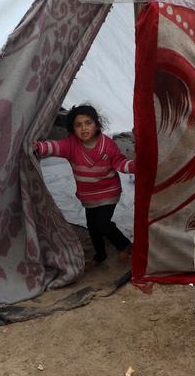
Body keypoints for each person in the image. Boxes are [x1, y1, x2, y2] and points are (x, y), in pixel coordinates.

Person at [34, 105, 134, 263]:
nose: (84, 128)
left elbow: (120, 163)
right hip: (88, 196)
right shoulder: (71, 144)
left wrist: (134, 166)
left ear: (97, 124)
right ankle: (100, 254)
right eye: (78, 125)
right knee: (92, 227)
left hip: (109, 192)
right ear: (72, 128)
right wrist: (39, 146)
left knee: (102, 224)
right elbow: (54, 147)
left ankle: (124, 245)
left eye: (88, 123)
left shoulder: (107, 145)